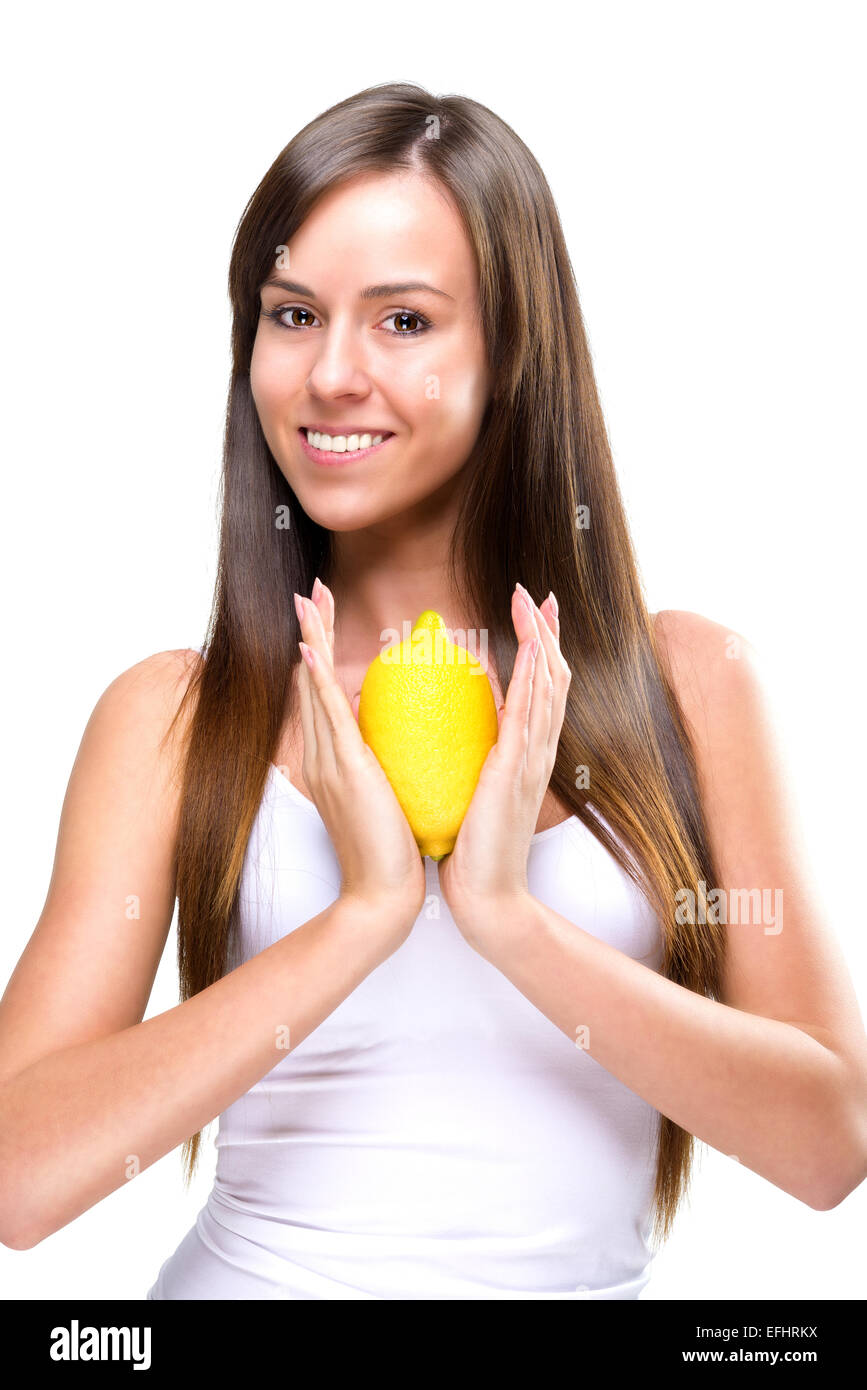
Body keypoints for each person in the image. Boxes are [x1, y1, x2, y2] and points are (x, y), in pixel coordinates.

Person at [2, 82, 865, 1301]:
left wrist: (508, 916)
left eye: (403, 321)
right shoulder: (176, 717)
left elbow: (827, 1146)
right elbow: (21, 1182)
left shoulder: (693, 687)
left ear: (512, 347)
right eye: (293, 313)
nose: (332, 373)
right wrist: (360, 917)